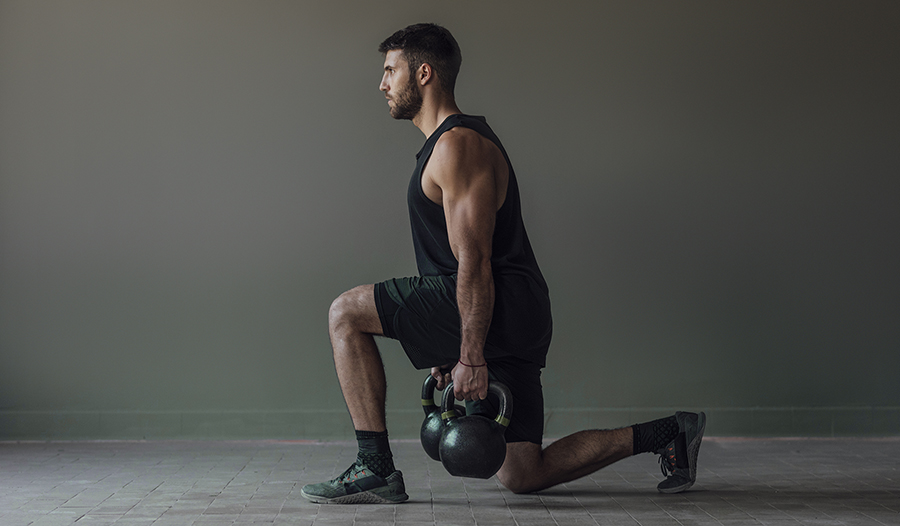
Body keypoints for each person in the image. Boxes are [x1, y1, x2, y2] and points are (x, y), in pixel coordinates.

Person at [300, 23, 706, 504]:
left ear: (424, 73)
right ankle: (668, 433)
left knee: (344, 313)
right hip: (514, 310)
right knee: (522, 472)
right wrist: (445, 341)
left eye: (391, 70)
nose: (382, 83)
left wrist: (469, 354)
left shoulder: (457, 146)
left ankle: (375, 467)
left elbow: (473, 261)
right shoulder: (447, 145)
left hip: (497, 303)